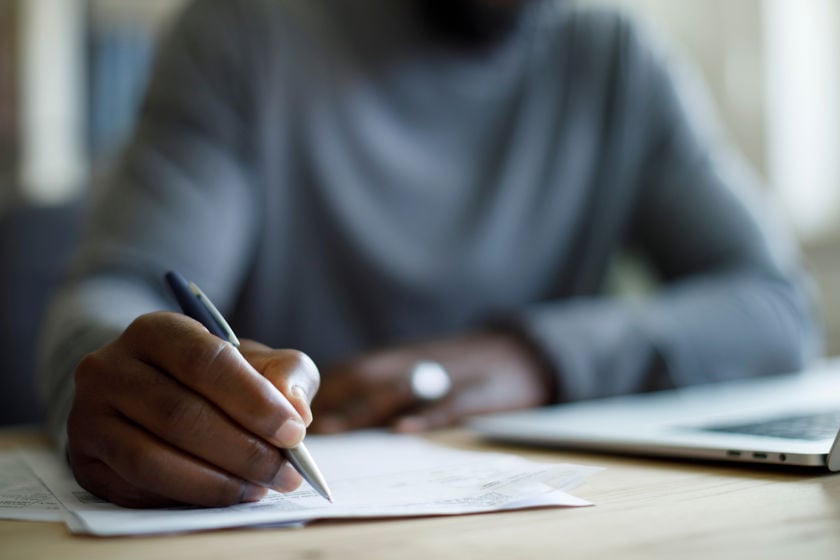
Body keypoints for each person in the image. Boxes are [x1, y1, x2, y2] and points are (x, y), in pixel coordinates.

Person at [38, 0, 820, 508]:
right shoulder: (243, 35)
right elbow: (117, 292)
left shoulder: (615, 58)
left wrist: (536, 358)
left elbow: (774, 303)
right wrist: (121, 388)